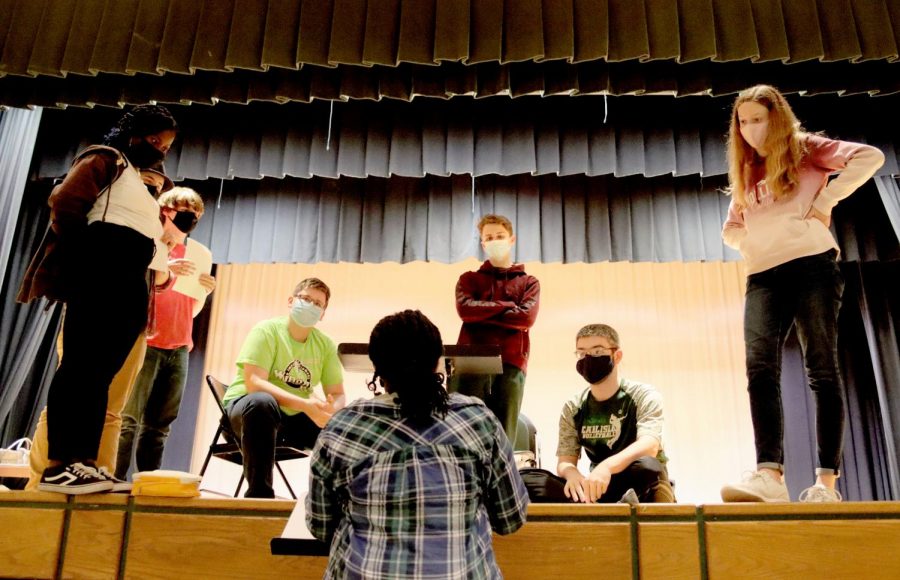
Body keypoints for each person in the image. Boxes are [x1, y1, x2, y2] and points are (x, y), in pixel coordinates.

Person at [719, 85, 885, 503]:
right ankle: (769, 475)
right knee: (759, 370)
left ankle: (826, 483)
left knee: (821, 370)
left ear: (775, 118)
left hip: (811, 264)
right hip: (762, 275)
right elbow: (731, 229)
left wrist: (826, 198)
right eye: (743, 121)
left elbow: (870, 157)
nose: (750, 129)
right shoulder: (745, 170)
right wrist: (752, 240)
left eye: (758, 119)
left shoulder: (804, 148)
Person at [17, 105, 179, 494]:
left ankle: (85, 463)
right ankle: (59, 466)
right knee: (79, 369)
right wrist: (88, 258)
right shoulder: (106, 159)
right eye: (154, 139)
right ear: (133, 132)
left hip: (128, 283)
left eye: (167, 146)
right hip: (100, 275)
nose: (159, 149)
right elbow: (66, 203)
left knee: (100, 378)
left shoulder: (141, 188)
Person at [307, 310, 529, 579]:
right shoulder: (478, 421)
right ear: (438, 362)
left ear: (377, 368)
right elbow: (510, 518)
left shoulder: (343, 428)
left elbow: (320, 526)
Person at [115, 186, 217, 481]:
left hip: (179, 346)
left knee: (159, 426)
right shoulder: (147, 245)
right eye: (185, 211)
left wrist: (203, 293)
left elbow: (190, 309)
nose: (192, 218)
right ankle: (116, 484)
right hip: (146, 341)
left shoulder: (198, 253)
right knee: (127, 422)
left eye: (196, 213)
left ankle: (148, 485)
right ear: (165, 210)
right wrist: (163, 265)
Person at [221, 278, 345, 498]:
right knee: (262, 402)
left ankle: (333, 502)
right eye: (306, 299)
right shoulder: (267, 330)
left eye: (318, 304)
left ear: (323, 313)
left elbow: (337, 393)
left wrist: (331, 411)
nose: (311, 306)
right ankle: (260, 495)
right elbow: (254, 384)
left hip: (292, 419)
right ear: (291, 301)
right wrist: (306, 405)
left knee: (341, 428)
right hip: (247, 414)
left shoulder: (325, 345)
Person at [557, 324, 674, 504]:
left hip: (638, 479)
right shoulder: (573, 406)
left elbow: (649, 446)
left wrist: (607, 466)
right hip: (599, 486)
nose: (588, 358)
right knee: (531, 480)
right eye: (581, 353)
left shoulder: (643, 395)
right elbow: (565, 460)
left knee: (648, 467)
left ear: (616, 355)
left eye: (597, 352)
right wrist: (572, 474)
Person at [449, 214, 540, 441]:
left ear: (511, 239)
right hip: (470, 364)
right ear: (483, 243)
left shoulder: (529, 282)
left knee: (502, 436)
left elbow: (526, 317)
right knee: (462, 432)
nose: (494, 240)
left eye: (500, 236)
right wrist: (507, 306)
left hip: (511, 364)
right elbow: (465, 311)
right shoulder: (468, 279)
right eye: (489, 237)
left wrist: (484, 312)